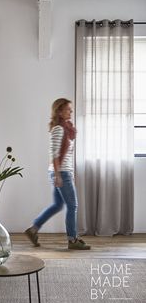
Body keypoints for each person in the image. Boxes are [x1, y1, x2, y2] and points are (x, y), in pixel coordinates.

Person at [25, 98, 90, 250]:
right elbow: (53, 154)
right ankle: (72, 240)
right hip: (60, 172)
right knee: (72, 205)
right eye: (68, 109)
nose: (71, 111)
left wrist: (66, 172)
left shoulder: (65, 128)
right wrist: (59, 175)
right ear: (59, 111)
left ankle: (33, 229)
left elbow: (65, 155)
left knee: (58, 205)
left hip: (63, 171)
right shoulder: (59, 129)